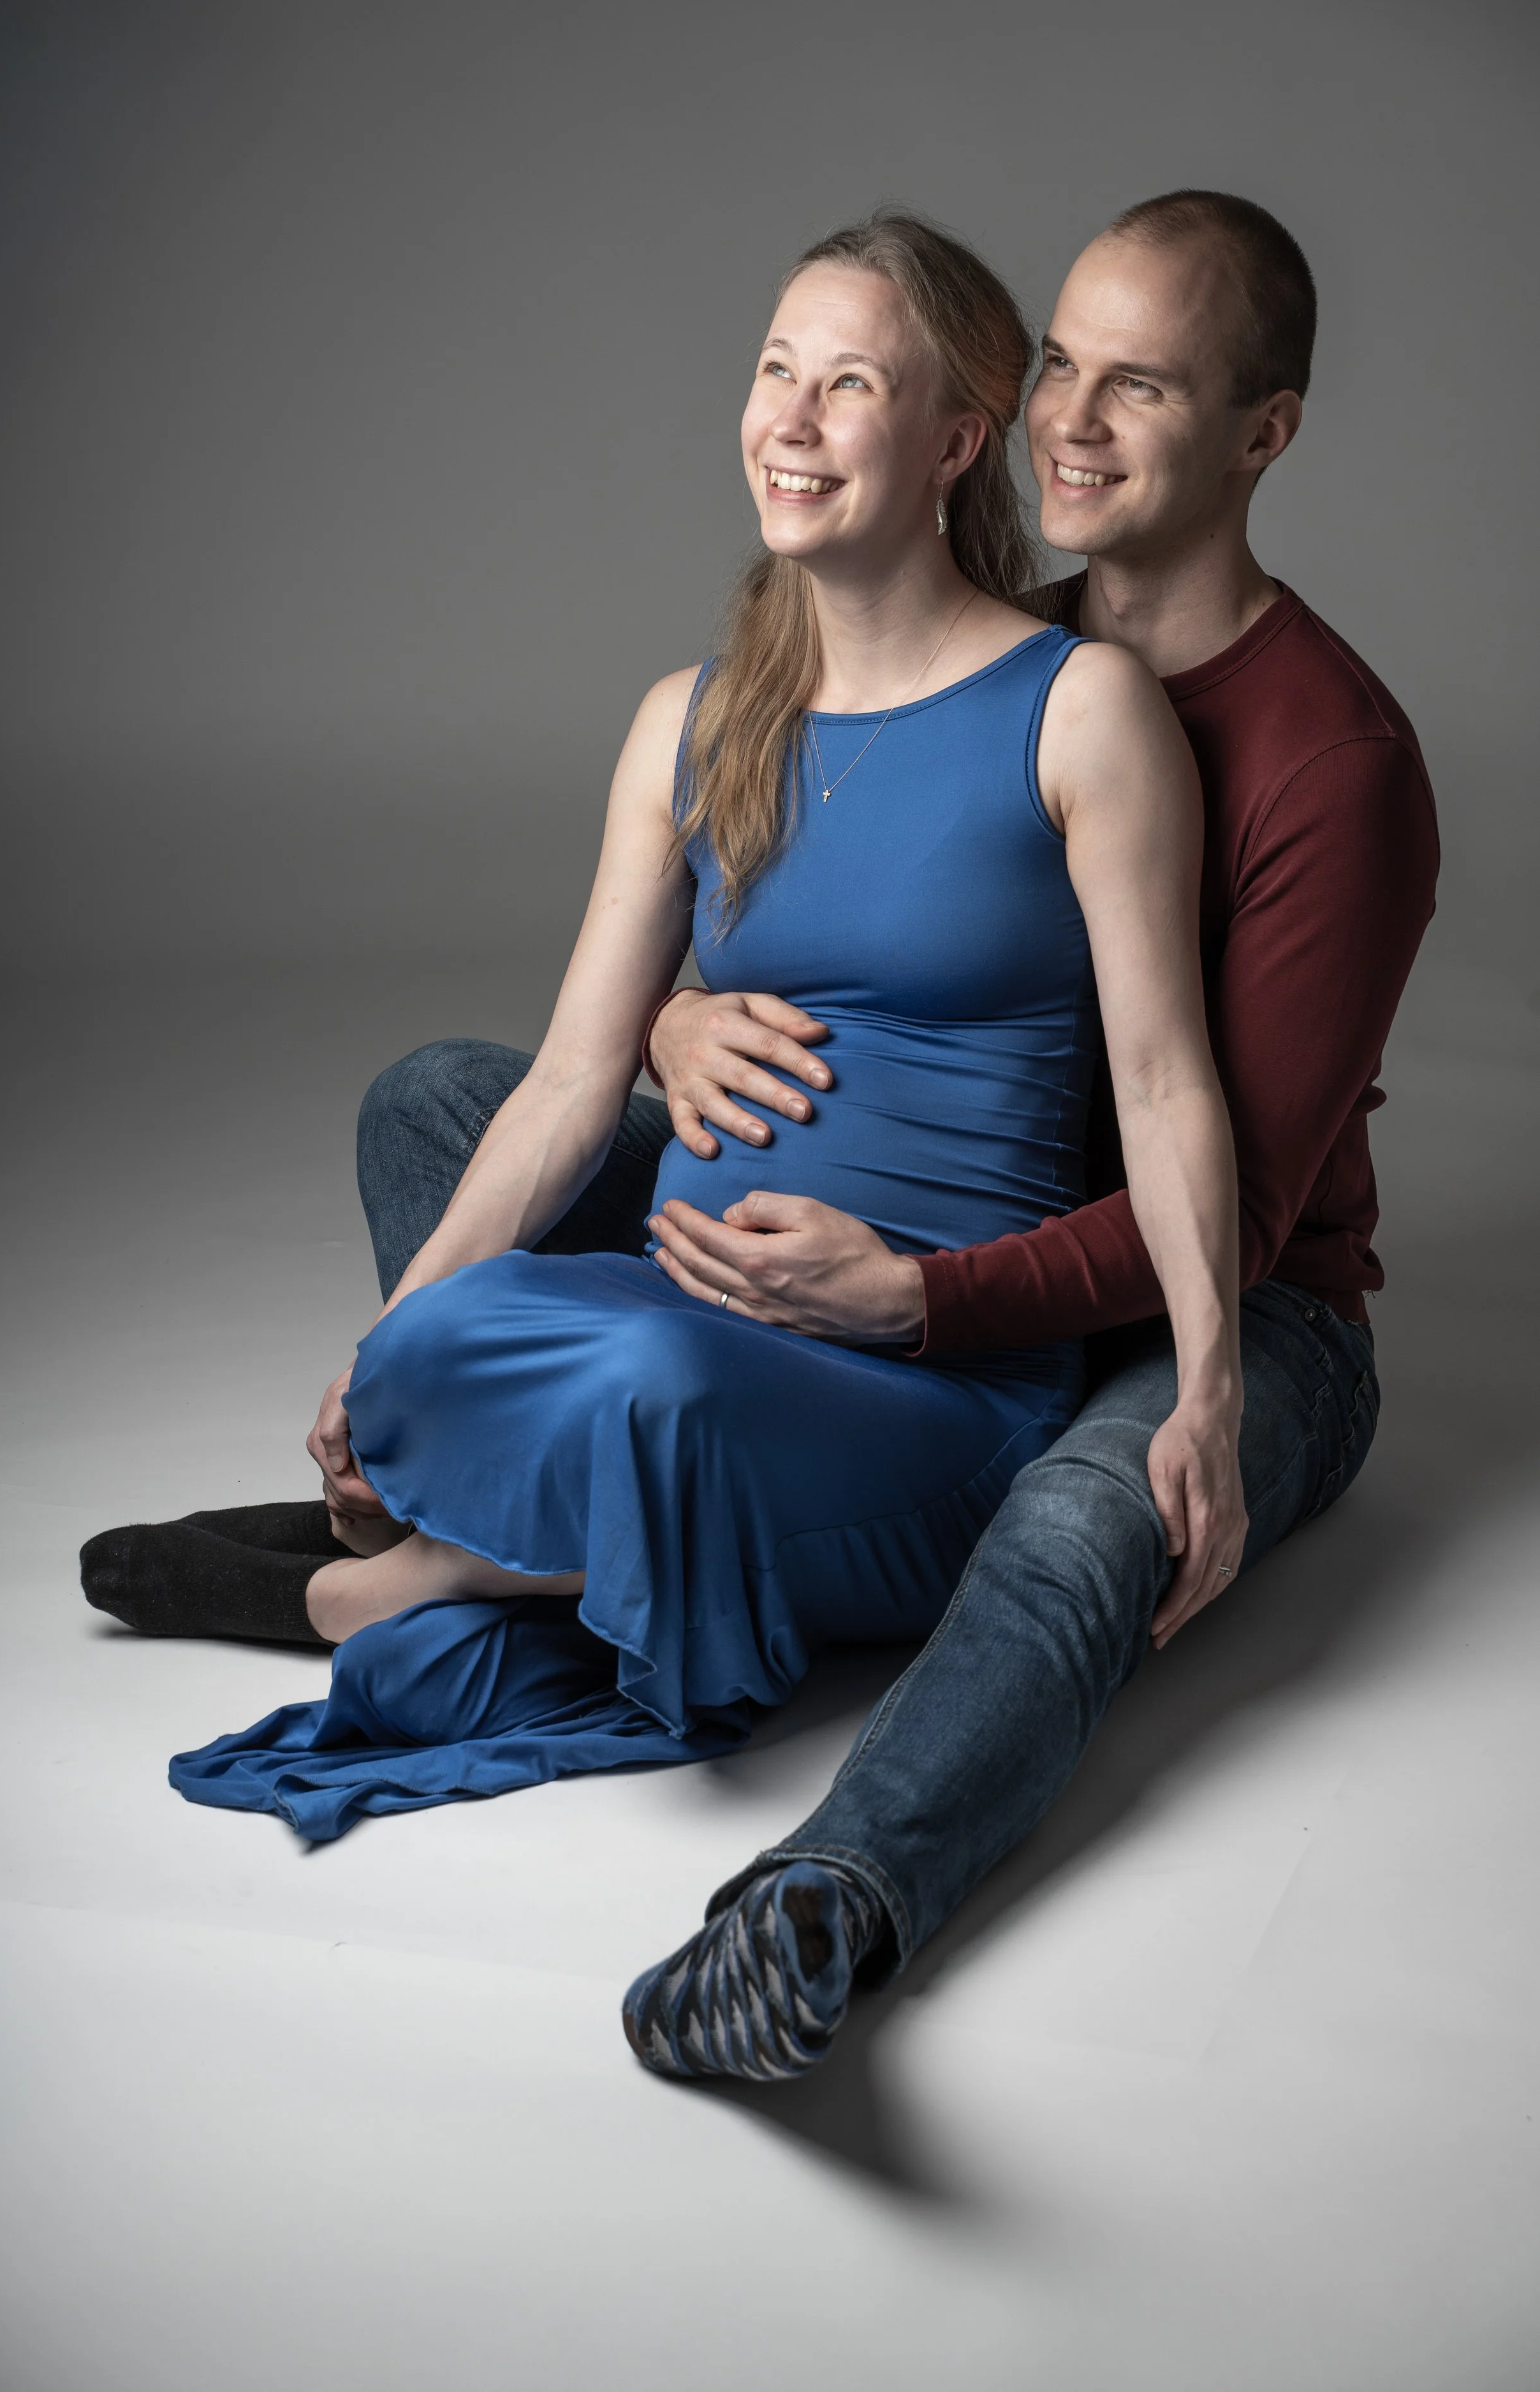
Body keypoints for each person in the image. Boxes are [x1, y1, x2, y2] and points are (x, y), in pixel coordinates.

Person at [82, 211, 1246, 1851]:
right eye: (775, 371)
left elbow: (1163, 1076)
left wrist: (1204, 1394)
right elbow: (571, 1079)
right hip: (680, 1315)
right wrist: (388, 1337)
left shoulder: (1075, 710)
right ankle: (530, 1536)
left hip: (926, 1386)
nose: (789, 418)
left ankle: (396, 1585)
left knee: (646, 1378)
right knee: (448, 1324)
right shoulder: (688, 723)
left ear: (950, 443)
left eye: (848, 387)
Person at [617, 191, 1439, 2079]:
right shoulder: (1005, 662)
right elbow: (789, 906)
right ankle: (482, 1520)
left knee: (1083, 1518)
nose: (1068, 415)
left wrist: (913, 1295)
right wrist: (671, 1014)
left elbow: (1221, 1212)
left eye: (1138, 382)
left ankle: (824, 1902)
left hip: (1218, 1307)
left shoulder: (1335, 765)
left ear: (1262, 432)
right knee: (447, 1099)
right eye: (1059, 358)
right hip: (926, 1221)